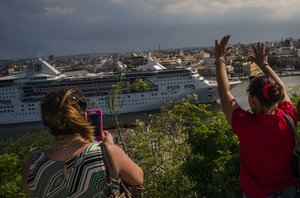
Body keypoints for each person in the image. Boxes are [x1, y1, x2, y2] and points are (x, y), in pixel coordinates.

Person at [215, 35, 298, 198]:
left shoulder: (246, 125)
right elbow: (283, 89)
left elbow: (225, 93)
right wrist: (264, 64)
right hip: (289, 191)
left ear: (252, 99)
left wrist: (220, 60)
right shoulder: (288, 117)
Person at [22, 88, 144, 197]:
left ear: (47, 122)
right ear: (85, 117)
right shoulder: (107, 152)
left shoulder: (33, 162)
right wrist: (110, 146)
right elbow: (138, 179)